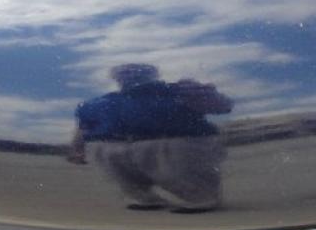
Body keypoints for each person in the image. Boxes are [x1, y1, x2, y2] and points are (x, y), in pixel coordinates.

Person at [68, 64, 232, 212]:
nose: (131, 73)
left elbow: (223, 107)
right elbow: (84, 127)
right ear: (116, 77)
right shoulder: (99, 102)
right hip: (109, 146)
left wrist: (206, 95)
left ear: (153, 74)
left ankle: (200, 198)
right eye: (124, 71)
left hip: (174, 141)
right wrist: (77, 148)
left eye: (138, 70)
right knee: (120, 175)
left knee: (181, 172)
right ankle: (142, 198)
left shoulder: (176, 90)